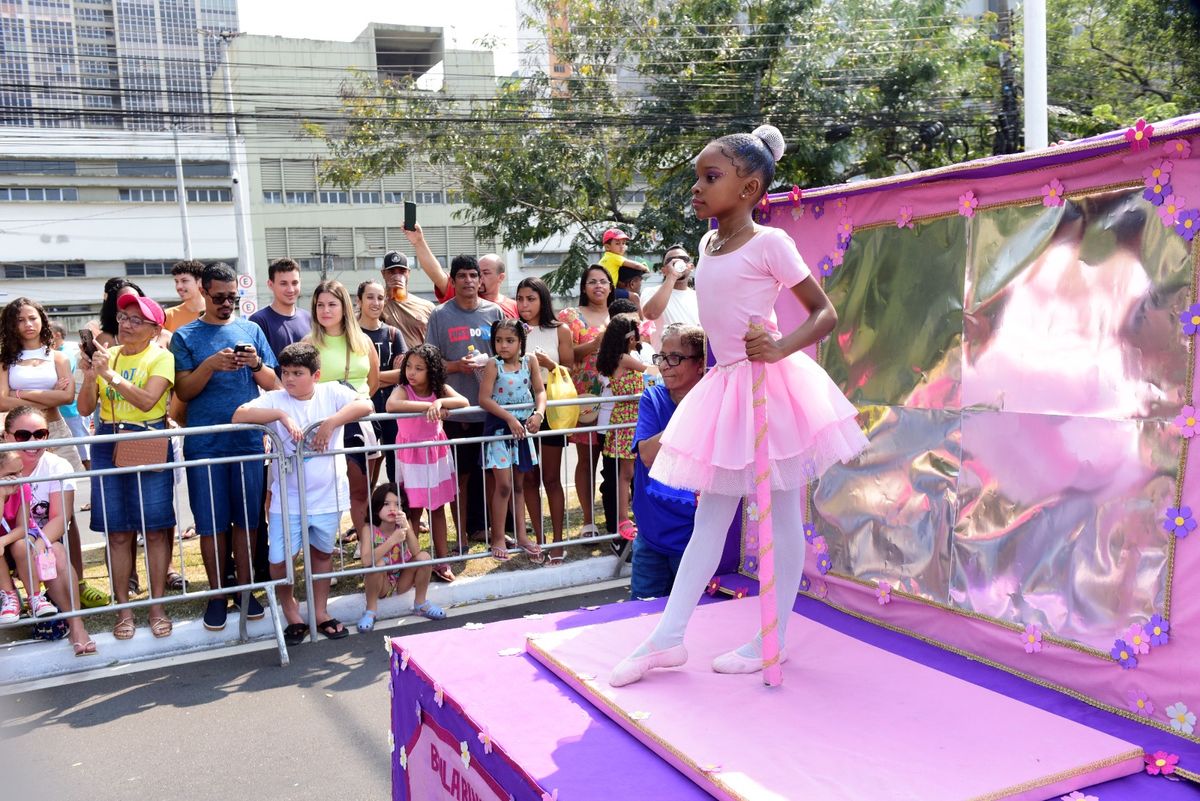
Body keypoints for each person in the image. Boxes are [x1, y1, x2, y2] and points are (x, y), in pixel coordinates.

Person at [610, 125, 868, 686]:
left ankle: (772, 634)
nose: (697, 189)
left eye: (711, 178)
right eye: (697, 178)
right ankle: (669, 636)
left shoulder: (771, 243)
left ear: (750, 188)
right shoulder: (705, 245)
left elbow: (824, 313)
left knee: (780, 513)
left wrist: (778, 345)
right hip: (726, 387)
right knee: (711, 515)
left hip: (769, 387)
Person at [232, 342, 373, 644]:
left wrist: (332, 423)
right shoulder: (275, 398)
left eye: (298, 373)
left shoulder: (332, 392)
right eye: (285, 372)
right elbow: (239, 415)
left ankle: (320, 612)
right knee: (280, 560)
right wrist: (281, 416)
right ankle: (291, 612)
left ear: (316, 375)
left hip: (328, 495)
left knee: (322, 553)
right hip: (288, 499)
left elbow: (366, 405)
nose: (290, 379)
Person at [171, 262, 279, 633]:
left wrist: (256, 363)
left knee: (248, 521)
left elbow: (274, 382)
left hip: (248, 440)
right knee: (212, 523)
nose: (227, 304)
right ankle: (217, 594)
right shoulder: (184, 336)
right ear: (203, 291)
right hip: (205, 444)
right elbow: (183, 392)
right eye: (219, 298)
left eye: (233, 297)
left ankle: (247, 589)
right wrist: (210, 366)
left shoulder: (250, 329)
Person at [76, 294, 178, 640]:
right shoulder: (109, 356)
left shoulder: (161, 357)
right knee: (117, 532)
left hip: (146, 439)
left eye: (136, 320)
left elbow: (150, 400)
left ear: (154, 329)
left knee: (153, 529)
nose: (126, 324)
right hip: (107, 439)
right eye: (123, 317)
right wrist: (92, 376)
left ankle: (157, 606)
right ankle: (124, 609)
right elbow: (85, 407)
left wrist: (110, 376)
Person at [423, 255, 506, 546]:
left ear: (480, 279)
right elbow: (430, 364)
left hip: (491, 407)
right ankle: (460, 538)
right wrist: (457, 366)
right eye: (463, 276)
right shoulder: (440, 315)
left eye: (474, 275)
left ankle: (494, 532)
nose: (470, 281)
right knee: (460, 479)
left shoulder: (494, 312)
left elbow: (508, 356)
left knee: (494, 477)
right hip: (456, 411)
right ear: (454, 280)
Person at [629, 324, 706, 599]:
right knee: (637, 620)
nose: (664, 365)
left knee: (697, 625)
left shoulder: (718, 404)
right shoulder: (653, 397)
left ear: (700, 364)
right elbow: (648, 455)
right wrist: (693, 412)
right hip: (651, 537)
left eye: (675, 357)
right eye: (661, 356)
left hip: (695, 542)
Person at [0, 446, 96, 655]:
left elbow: (23, 527)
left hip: (20, 538)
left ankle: (38, 600)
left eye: (20, 473)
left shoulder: (23, 486)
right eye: (10, 475)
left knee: (34, 547)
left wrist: (5, 540)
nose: (16, 479)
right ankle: (10, 597)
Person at [304, 280, 380, 540]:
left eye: (332, 304)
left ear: (344, 307)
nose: (325, 310)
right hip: (322, 426)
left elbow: (373, 382)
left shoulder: (363, 341)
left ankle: (366, 546)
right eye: (320, 305)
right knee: (323, 493)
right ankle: (323, 553)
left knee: (361, 489)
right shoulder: (307, 343)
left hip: (361, 422)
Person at [387, 345, 468, 583]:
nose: (412, 372)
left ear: (431, 370)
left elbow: (462, 401)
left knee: (437, 508)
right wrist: (430, 406)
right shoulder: (403, 390)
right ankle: (413, 559)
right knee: (411, 510)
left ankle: (441, 560)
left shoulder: (439, 389)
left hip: (434, 455)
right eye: (409, 367)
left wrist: (440, 402)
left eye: (419, 368)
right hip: (411, 457)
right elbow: (392, 405)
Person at [515, 277, 573, 564]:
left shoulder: (559, 330)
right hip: (519, 412)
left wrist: (550, 365)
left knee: (551, 478)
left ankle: (559, 542)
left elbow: (569, 369)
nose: (524, 305)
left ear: (543, 300)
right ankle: (537, 540)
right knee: (528, 478)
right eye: (520, 298)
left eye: (531, 298)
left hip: (550, 411)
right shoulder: (513, 330)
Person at [478, 319, 546, 562]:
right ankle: (497, 536)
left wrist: (538, 413)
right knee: (503, 485)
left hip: (522, 430)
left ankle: (522, 535)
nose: (503, 346)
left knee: (519, 484)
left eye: (509, 340)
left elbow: (539, 390)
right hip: (500, 430)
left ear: (520, 342)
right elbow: (484, 398)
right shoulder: (492, 365)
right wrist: (508, 419)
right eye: (499, 340)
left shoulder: (530, 362)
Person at [557, 265, 613, 538]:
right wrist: (595, 344)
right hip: (585, 397)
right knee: (587, 459)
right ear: (583, 287)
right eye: (592, 281)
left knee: (619, 459)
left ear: (611, 287)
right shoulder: (570, 317)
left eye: (604, 281)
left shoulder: (621, 313)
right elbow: (566, 356)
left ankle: (619, 515)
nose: (598, 286)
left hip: (617, 396)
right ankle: (589, 520)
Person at [356, 483, 446, 633]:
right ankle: (370, 610)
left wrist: (407, 527)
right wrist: (392, 540)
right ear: (376, 506)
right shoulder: (369, 528)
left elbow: (416, 551)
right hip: (381, 582)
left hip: (403, 577)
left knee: (425, 557)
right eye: (386, 504)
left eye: (397, 504)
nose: (392, 508)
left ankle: (421, 604)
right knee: (376, 564)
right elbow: (365, 561)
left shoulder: (403, 524)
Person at [597, 313, 646, 542]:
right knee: (627, 474)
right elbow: (647, 368)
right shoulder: (625, 358)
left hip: (624, 418)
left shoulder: (612, 358)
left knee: (626, 474)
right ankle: (625, 519)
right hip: (629, 418)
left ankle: (626, 518)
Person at [402, 224, 519, 318]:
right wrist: (419, 242)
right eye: (478, 272)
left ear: (501, 277)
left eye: (486, 272)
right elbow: (436, 273)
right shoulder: (463, 295)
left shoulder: (515, 307)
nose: (479, 277)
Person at [356, 279, 406, 485]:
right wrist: (384, 375)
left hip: (392, 406)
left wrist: (372, 376)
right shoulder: (352, 334)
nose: (375, 303)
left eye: (380, 298)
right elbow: (349, 374)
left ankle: (396, 508)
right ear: (359, 301)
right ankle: (368, 511)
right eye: (370, 297)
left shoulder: (393, 334)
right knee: (367, 463)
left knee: (395, 462)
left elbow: (403, 375)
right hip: (363, 405)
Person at [249, 258, 313, 372]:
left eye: (295, 283)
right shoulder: (258, 321)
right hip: (274, 389)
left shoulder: (308, 318)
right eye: (283, 283)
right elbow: (256, 367)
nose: (290, 289)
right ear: (270, 284)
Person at [641, 244, 700, 353]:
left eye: (683, 259)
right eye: (671, 260)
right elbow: (651, 314)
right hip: (666, 364)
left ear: (691, 266)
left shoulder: (698, 297)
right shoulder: (651, 292)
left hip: (695, 363)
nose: (678, 262)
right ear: (664, 270)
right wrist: (672, 276)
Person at [50, 323, 91, 470]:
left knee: (82, 445)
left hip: (72, 408)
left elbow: (65, 380)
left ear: (57, 334)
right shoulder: (54, 352)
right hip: (62, 408)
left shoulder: (64, 353)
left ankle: (90, 473)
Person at [378, 249, 436, 350]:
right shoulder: (377, 305)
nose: (397, 277)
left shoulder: (426, 306)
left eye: (402, 272)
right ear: (383, 274)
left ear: (408, 273)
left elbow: (438, 341)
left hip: (418, 363)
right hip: (388, 364)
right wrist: (386, 296)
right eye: (391, 272)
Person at [163, 260, 206, 334]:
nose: (178, 286)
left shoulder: (215, 313)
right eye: (176, 282)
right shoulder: (168, 316)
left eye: (184, 281)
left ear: (200, 282)